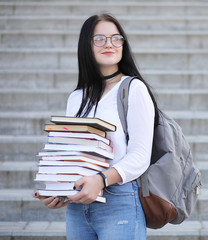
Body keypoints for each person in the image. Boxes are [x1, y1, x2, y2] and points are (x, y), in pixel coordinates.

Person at [33, 13, 158, 239]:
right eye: (99, 38)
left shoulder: (133, 89)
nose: (109, 44)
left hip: (119, 202)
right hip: (77, 206)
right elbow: (72, 153)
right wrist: (59, 192)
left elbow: (140, 155)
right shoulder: (76, 97)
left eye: (116, 38)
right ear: (87, 46)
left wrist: (100, 180)